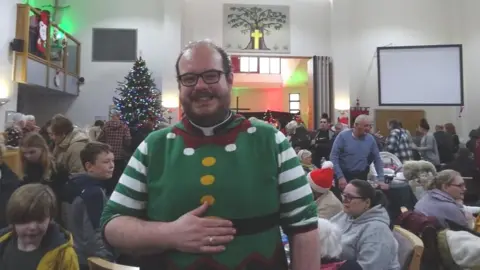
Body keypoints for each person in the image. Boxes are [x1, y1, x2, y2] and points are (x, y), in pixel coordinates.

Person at [100, 40, 320, 270]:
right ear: (180, 85)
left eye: (211, 75)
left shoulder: (271, 141)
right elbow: (112, 224)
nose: (200, 86)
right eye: (189, 78)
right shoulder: (154, 146)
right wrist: (170, 234)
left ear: (230, 79)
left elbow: (304, 226)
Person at [0, 184, 79, 269]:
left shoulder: (64, 256)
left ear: (50, 218)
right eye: (25, 220)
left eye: (40, 220)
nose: (33, 227)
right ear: (13, 221)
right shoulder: (3, 244)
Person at [62, 142, 115, 269]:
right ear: (89, 166)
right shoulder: (94, 193)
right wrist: (106, 260)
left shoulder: (74, 184)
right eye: (106, 162)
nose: (112, 165)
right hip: (91, 260)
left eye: (113, 161)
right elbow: (94, 234)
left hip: (75, 253)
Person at [330, 180, 400, 270]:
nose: (344, 200)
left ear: (367, 203)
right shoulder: (347, 214)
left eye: (349, 197)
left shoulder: (377, 230)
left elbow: (371, 266)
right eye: (344, 195)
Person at [330, 115, 385, 190]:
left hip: (361, 176)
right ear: (355, 125)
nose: (368, 129)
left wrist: (381, 179)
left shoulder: (370, 139)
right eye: (365, 126)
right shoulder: (342, 136)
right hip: (344, 176)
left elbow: (377, 159)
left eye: (370, 126)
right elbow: (333, 157)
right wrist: (340, 177)